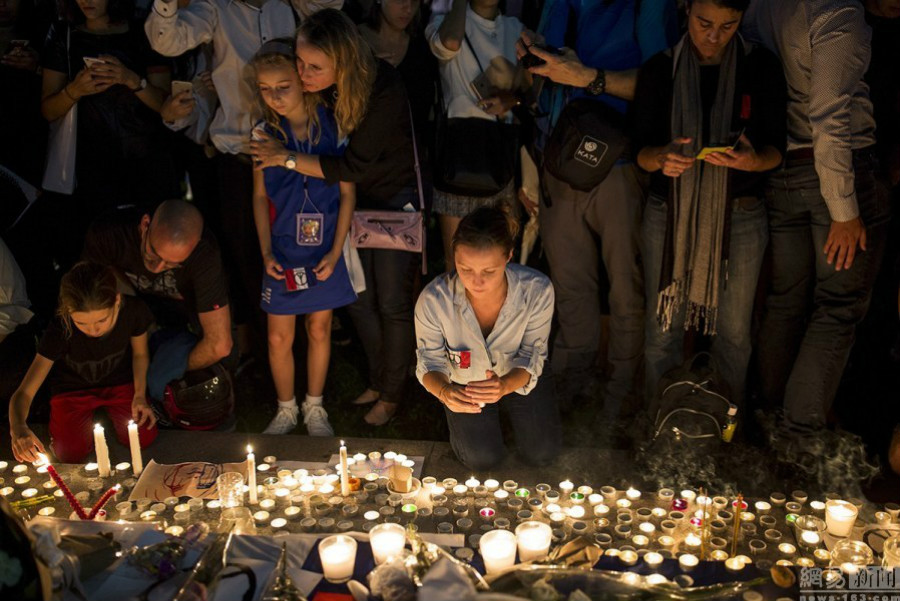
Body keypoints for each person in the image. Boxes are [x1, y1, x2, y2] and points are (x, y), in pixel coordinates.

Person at [515, 0, 678, 428]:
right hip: (558, 157)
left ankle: (620, 403)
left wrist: (589, 78)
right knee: (570, 287)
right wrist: (533, 64)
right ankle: (571, 398)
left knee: (627, 288)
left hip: (619, 162)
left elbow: (663, 84)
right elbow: (540, 83)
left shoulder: (647, 6)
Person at [253, 9, 419, 426]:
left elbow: (352, 169)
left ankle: (394, 393)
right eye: (301, 63)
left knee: (392, 301)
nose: (303, 73)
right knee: (359, 300)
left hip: (393, 196)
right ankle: (378, 380)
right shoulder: (323, 92)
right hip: (352, 198)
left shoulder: (384, 89)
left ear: (341, 61)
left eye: (313, 67)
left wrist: (285, 158)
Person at [742, 1, 890, 441]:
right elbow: (828, 117)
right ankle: (798, 439)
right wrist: (844, 210)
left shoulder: (762, 7)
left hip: (784, 172)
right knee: (838, 307)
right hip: (836, 174)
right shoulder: (835, 12)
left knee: (786, 301)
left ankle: (769, 425)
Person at [632, 0, 785, 411]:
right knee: (662, 328)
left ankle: (721, 431)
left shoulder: (761, 67)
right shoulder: (660, 70)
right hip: (671, 214)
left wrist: (752, 160)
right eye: (704, 23)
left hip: (740, 213)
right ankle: (660, 429)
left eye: (727, 26)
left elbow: (777, 151)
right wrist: (662, 157)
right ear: (686, 10)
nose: (714, 36)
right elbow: (639, 155)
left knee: (734, 333)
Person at [145, 0, 299, 360]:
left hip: (293, 155)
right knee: (246, 260)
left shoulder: (287, 6)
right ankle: (261, 355)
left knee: (295, 255)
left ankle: (301, 356)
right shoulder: (216, 8)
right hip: (240, 159)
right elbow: (166, 40)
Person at [250, 39, 357, 436]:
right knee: (279, 335)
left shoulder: (334, 124)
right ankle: (285, 408)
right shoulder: (263, 132)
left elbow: (347, 193)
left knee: (319, 328)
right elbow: (260, 197)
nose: (274, 97)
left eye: (283, 86)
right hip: (281, 248)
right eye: (265, 89)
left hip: (323, 248)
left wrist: (335, 250)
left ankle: (314, 407)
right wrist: (264, 251)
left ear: (302, 80)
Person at [415, 206, 560, 470]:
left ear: (509, 257)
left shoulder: (537, 291)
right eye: (465, 268)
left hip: (519, 374)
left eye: (489, 271)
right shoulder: (434, 300)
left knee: (542, 452)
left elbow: (532, 355)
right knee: (482, 459)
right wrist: (446, 392)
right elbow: (429, 362)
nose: (476, 282)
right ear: (454, 256)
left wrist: (504, 386)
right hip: (465, 384)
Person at [41, 0, 177, 267]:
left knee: (148, 250)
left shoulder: (144, 33)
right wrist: (75, 90)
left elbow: (167, 106)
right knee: (98, 253)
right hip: (90, 166)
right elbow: (48, 109)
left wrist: (131, 80)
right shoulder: (65, 36)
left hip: (146, 161)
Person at [81, 199, 233, 408]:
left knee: (221, 361)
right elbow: (88, 293)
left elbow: (220, 344)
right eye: (153, 254)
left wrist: (167, 365)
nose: (158, 267)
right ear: (145, 224)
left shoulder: (205, 256)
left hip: (187, 319)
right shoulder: (110, 233)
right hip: (137, 308)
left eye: (172, 263)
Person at [8, 262, 157, 463]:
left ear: (116, 300)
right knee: (69, 454)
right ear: (68, 312)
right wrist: (18, 428)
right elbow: (24, 392)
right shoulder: (60, 330)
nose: (93, 330)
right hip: (72, 390)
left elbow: (140, 355)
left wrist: (139, 395)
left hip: (119, 382)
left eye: (101, 321)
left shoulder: (133, 311)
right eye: (81, 323)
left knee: (143, 437)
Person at [426, 0, 523, 270]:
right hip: (458, 154)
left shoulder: (515, 29)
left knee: (498, 261)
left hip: (499, 156)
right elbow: (450, 43)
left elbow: (532, 88)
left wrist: (511, 102)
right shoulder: (443, 23)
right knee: (458, 264)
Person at [359, 0, 437, 148]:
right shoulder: (354, 39)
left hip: (406, 153)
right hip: (363, 146)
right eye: (400, 0)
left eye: (414, 2)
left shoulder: (421, 48)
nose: (408, 9)